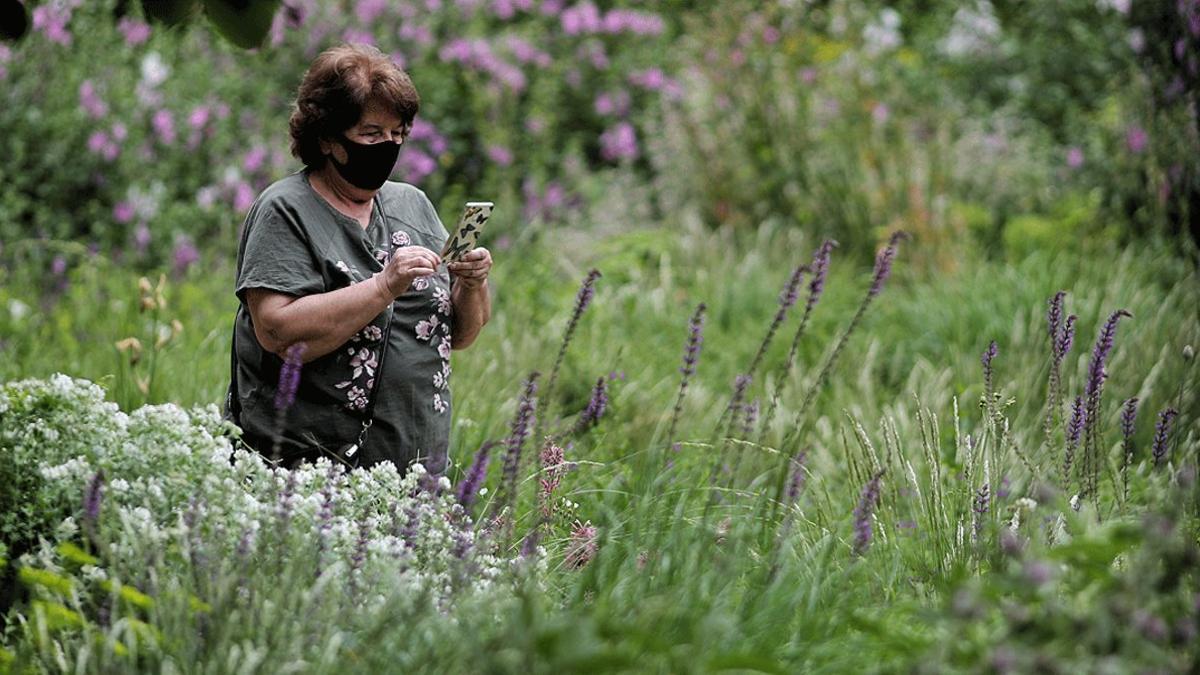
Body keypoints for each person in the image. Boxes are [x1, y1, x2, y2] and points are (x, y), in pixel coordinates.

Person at [224, 43, 492, 475]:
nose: (388, 146)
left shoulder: (413, 205)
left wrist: (473, 284)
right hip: (304, 474)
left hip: (414, 471)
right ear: (328, 137)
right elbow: (277, 330)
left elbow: (458, 335)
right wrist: (383, 286)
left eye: (397, 134)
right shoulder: (285, 210)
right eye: (372, 134)